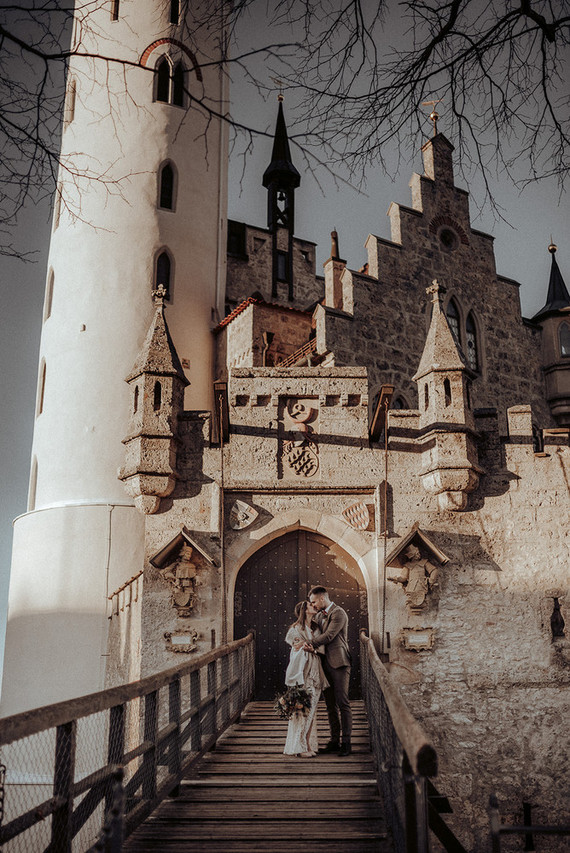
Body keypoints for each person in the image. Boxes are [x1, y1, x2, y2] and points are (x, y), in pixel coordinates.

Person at [304, 585, 353, 756]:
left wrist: (309, 644)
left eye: (314, 601)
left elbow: (330, 636)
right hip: (324, 663)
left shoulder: (339, 613)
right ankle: (334, 741)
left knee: (343, 703)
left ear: (322, 598)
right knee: (330, 705)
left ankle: (346, 743)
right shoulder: (318, 615)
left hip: (339, 663)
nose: (313, 604)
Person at [283, 600, 328, 758]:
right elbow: (295, 648)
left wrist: (311, 648)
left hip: (315, 670)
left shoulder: (316, 628)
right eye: (310, 605)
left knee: (312, 711)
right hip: (303, 673)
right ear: (304, 610)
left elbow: (322, 648)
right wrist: (304, 646)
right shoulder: (295, 629)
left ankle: (307, 744)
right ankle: (298, 747)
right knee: (302, 711)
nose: (314, 606)